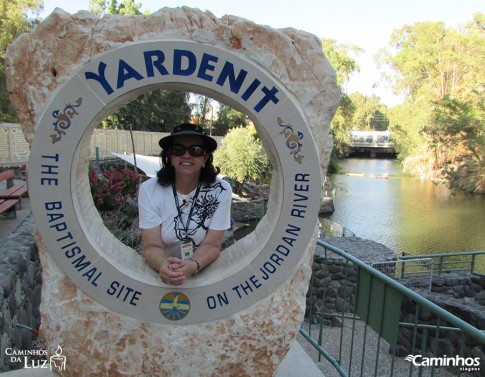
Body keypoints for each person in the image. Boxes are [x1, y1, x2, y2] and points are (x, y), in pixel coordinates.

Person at [138, 123, 232, 285]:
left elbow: (212, 244)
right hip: (162, 272)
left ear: (206, 157)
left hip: (202, 271)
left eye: (195, 150)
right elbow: (151, 245)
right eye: (178, 150)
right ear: (169, 156)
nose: (186, 155)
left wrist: (192, 265)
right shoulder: (149, 190)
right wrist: (163, 265)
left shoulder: (221, 190)